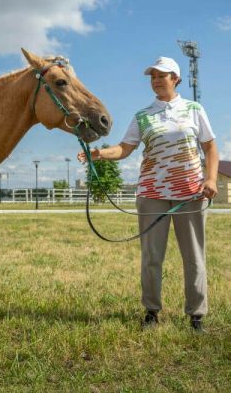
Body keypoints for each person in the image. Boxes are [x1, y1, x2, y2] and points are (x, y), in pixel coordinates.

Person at [78, 56, 219, 332]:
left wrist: (211, 178)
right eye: (152, 76)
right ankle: (152, 312)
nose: (156, 80)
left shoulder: (194, 109)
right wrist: (99, 153)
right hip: (152, 193)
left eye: (161, 75)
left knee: (193, 256)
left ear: (175, 79)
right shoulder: (143, 115)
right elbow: (125, 148)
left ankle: (196, 315)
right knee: (152, 256)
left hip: (189, 195)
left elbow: (211, 148)